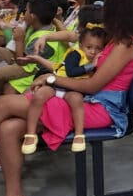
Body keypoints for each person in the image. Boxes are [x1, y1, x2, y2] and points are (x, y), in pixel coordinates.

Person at [0, 0, 133, 196]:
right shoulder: (115, 39)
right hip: (87, 102)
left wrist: (53, 79)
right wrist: (50, 66)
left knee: (3, 103)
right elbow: (76, 43)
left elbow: (93, 85)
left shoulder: (126, 44)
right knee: (7, 128)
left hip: (101, 109)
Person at [20, 21, 106, 155]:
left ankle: (79, 135)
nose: (93, 51)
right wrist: (91, 66)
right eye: (89, 47)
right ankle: (30, 134)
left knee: (77, 102)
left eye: (98, 48)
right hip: (58, 84)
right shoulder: (76, 54)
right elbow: (71, 72)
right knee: (39, 96)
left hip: (73, 90)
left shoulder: (97, 60)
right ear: (81, 45)